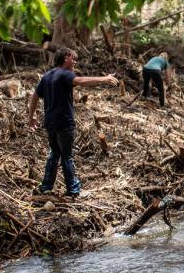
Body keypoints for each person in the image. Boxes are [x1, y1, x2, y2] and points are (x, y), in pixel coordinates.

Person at [27, 48, 118, 198]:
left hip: (50, 122)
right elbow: (81, 81)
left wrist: (31, 117)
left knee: (54, 153)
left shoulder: (47, 76)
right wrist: (104, 79)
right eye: (72, 58)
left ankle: (46, 187)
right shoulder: (65, 74)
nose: (75, 61)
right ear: (64, 59)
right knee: (66, 156)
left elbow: (35, 96)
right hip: (64, 122)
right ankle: (73, 190)